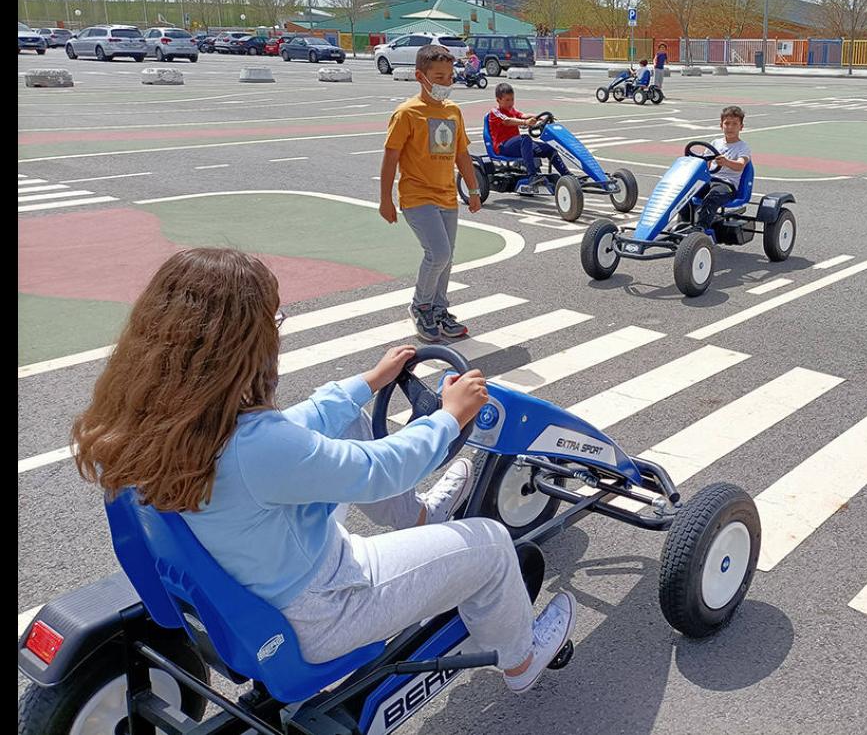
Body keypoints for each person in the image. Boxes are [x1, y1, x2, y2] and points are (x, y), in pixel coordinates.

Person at [72, 247, 577, 694]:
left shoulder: (157, 423)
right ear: (240, 344)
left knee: (349, 422)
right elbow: (385, 468)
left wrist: (366, 384)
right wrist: (450, 416)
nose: (277, 329)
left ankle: (420, 520)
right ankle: (522, 660)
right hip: (323, 608)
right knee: (490, 543)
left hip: (255, 577)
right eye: (274, 321)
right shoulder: (256, 446)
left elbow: (293, 432)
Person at [380, 44, 481, 343]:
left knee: (446, 259)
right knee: (438, 253)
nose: (445, 82)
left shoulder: (453, 111)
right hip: (417, 196)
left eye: (450, 76)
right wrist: (385, 199)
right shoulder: (407, 113)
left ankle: (439, 308)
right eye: (438, 76)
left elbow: (461, 153)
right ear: (420, 76)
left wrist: (473, 189)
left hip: (447, 196)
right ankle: (421, 306)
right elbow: (390, 157)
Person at [488, 82, 571, 191]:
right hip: (503, 147)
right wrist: (525, 122)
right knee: (525, 138)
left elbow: (523, 115)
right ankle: (533, 176)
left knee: (549, 148)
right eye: (507, 100)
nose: (511, 103)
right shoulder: (495, 112)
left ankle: (567, 176)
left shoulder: (511, 110)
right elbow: (507, 121)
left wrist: (539, 117)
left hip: (517, 146)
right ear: (498, 100)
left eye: (512, 99)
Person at [697, 105, 752, 222]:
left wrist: (726, 162)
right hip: (710, 180)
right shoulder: (715, 143)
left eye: (734, 124)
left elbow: (740, 165)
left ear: (741, 127)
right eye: (727, 123)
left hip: (727, 185)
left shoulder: (743, 147)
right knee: (684, 193)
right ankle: (684, 223)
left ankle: (701, 228)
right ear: (721, 125)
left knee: (712, 197)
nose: (730, 127)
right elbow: (705, 163)